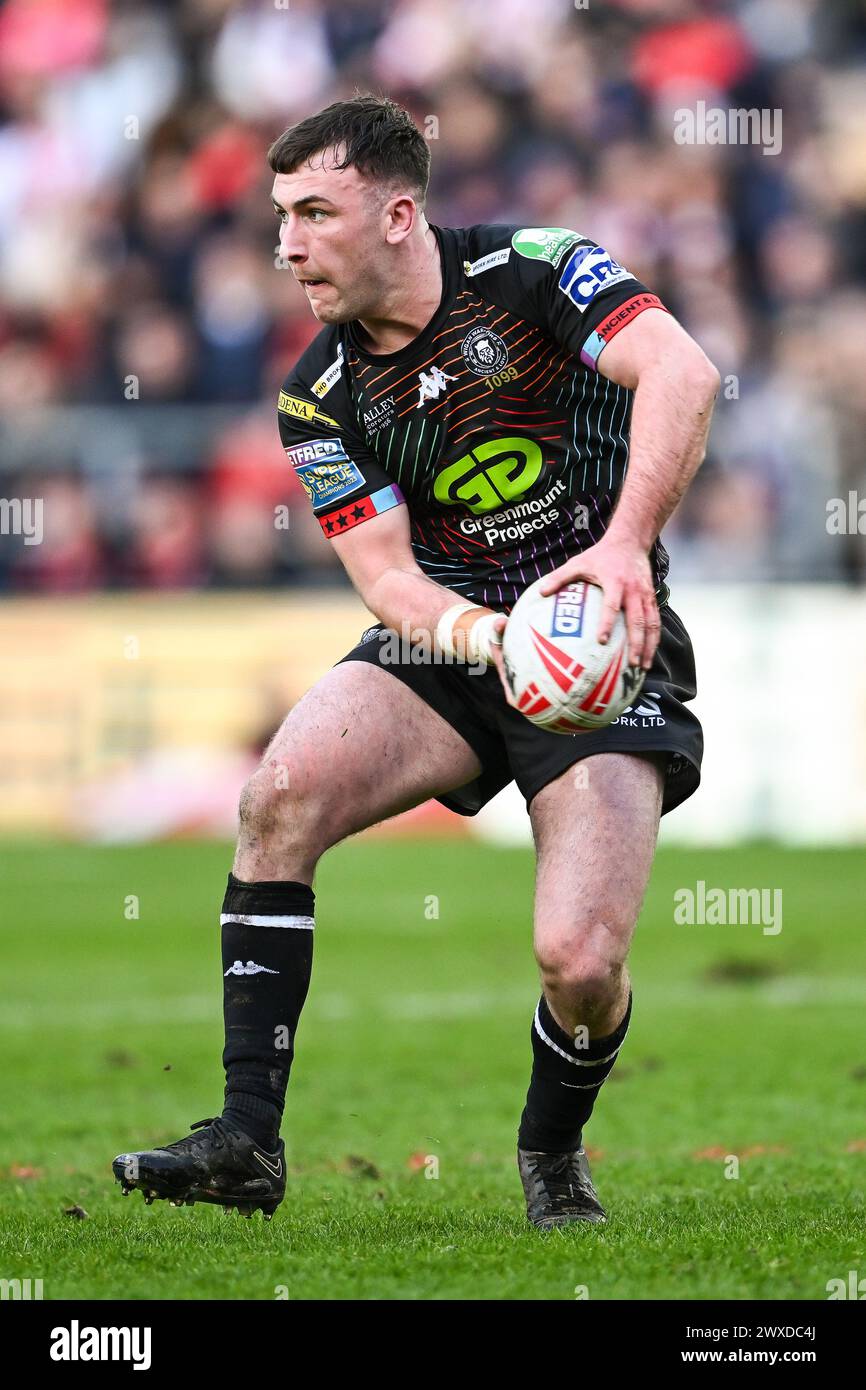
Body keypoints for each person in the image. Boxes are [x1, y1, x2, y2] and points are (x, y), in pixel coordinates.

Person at [113, 96, 719, 1229]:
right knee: (276, 797)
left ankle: (549, 1150)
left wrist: (620, 548)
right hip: (447, 637)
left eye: (312, 214)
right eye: (278, 217)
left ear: (397, 214)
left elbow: (681, 374)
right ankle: (247, 1137)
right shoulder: (318, 393)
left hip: (599, 635)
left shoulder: (534, 271)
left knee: (577, 957)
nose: (286, 244)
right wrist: (495, 639)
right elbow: (387, 581)